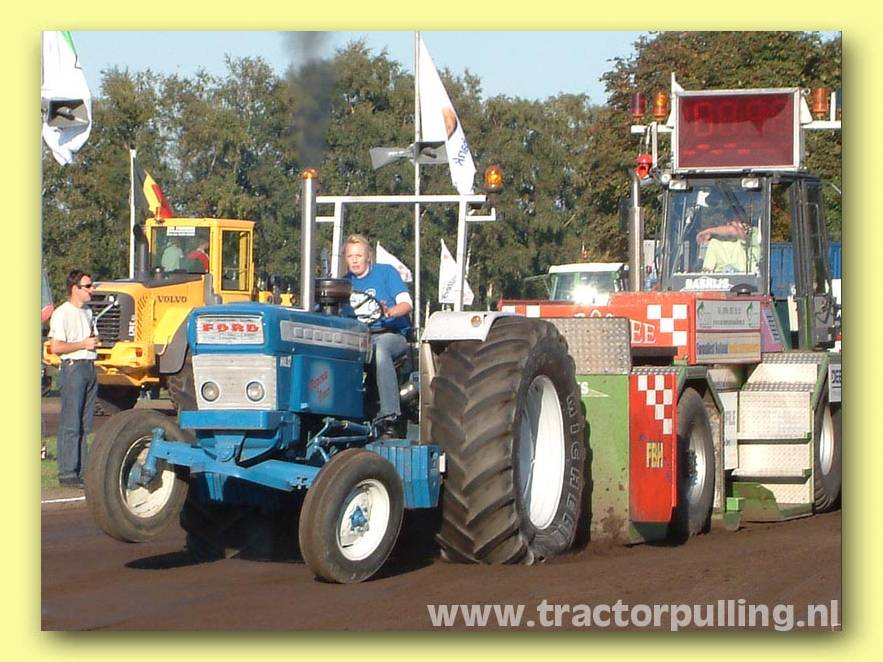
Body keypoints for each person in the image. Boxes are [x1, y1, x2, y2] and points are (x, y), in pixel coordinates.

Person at [343, 234, 412, 438]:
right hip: (358, 337)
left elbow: (406, 304)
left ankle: (390, 417)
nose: (355, 260)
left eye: (359, 256)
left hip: (388, 334)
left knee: (380, 350)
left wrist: (389, 312)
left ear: (368, 257)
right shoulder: (344, 283)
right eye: (350, 256)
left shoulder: (386, 273)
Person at [48, 270, 98, 488]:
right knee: (71, 423)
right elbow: (56, 347)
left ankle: (82, 470)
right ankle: (68, 472)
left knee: (85, 424)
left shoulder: (88, 312)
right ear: (75, 288)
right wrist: (83, 344)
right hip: (73, 368)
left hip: (89, 366)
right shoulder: (62, 313)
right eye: (87, 286)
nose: (91, 290)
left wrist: (93, 343)